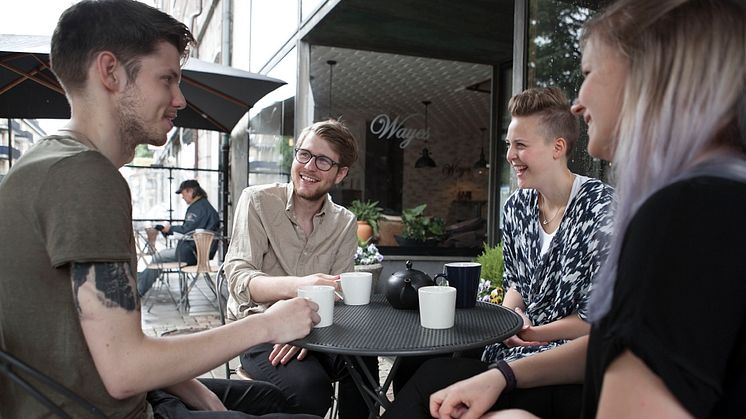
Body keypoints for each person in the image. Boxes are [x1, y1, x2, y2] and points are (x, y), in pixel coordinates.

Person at [383, 0, 746, 418]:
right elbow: (622, 341)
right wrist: (503, 373)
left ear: (649, 76)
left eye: (589, 73)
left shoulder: (680, 213)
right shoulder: (709, 201)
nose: (578, 102)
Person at [0, 1, 322, 418]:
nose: (180, 99)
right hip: (106, 407)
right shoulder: (84, 176)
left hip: (114, 392)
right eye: (167, 79)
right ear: (110, 72)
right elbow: (126, 370)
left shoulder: (50, 163)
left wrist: (197, 394)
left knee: (269, 398)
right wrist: (268, 324)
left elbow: (107, 339)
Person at [224, 119, 378, 418]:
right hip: (258, 328)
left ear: (341, 173)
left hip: (319, 329)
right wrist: (301, 287)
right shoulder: (257, 201)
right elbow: (240, 277)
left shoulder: (344, 221)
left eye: (322, 161)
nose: (308, 167)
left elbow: (339, 294)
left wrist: (305, 332)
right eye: (303, 154)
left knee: (363, 366)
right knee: (310, 389)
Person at [482, 86, 613, 365]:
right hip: (515, 348)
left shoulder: (603, 209)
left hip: (573, 361)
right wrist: (511, 319)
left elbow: (600, 316)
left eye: (521, 145)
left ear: (558, 147)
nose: (509, 155)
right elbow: (516, 285)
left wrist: (531, 334)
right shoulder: (516, 207)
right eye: (509, 144)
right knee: (425, 368)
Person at [137, 179, 220, 296]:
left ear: (190, 191)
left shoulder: (198, 208)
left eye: (183, 193)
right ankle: (140, 280)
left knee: (158, 257)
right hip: (200, 252)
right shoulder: (205, 206)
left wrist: (169, 229)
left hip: (193, 253)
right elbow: (192, 230)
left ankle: (139, 289)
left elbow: (188, 231)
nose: (182, 197)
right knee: (161, 255)